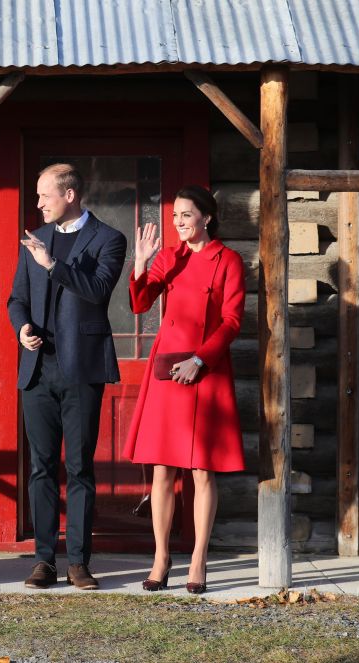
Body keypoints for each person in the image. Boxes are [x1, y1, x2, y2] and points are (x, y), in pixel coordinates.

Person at [7, 163, 127, 590]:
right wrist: (21, 329)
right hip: (37, 371)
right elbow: (16, 298)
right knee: (41, 468)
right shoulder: (33, 242)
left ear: (70, 195)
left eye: (44, 195)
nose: (38, 203)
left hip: (82, 368)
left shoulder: (109, 238)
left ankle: (78, 562)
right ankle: (44, 561)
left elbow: (96, 291)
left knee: (78, 467)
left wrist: (53, 264)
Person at [124, 185, 246, 594]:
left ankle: (198, 558)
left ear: (206, 218)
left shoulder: (227, 260)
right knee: (162, 468)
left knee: (202, 470)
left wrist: (200, 360)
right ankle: (161, 556)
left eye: (186, 215)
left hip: (204, 368)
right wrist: (140, 263)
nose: (178, 223)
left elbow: (231, 321)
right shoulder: (169, 257)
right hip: (168, 369)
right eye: (175, 216)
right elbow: (141, 304)